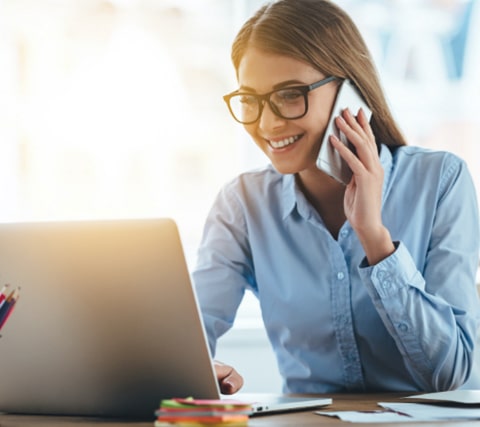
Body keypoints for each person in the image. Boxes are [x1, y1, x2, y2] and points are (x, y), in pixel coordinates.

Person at [192, 0, 480, 395]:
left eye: (290, 94)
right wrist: (195, 368)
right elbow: (191, 331)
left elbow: (452, 373)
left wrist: (375, 239)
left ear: (350, 93)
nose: (267, 123)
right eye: (251, 100)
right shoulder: (243, 204)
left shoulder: (441, 182)